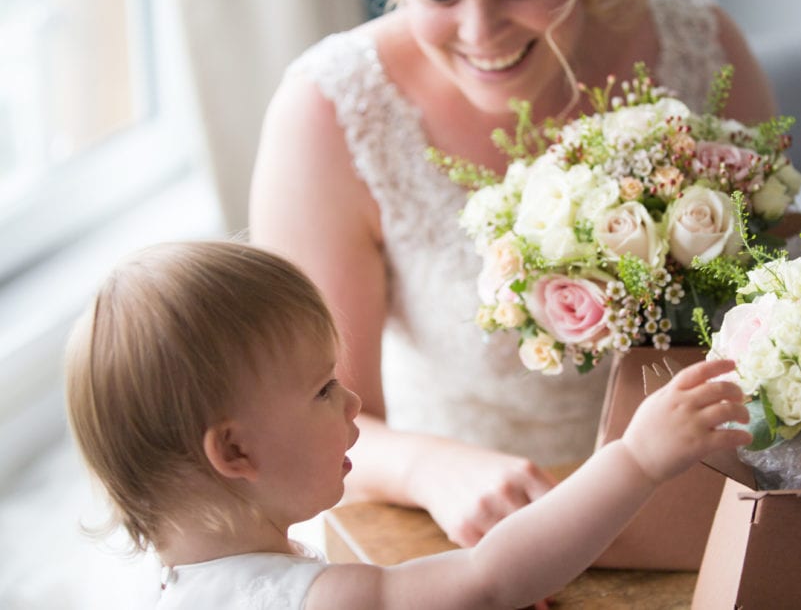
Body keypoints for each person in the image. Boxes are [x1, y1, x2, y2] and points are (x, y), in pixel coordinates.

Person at [249, 0, 775, 548]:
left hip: (707, 506)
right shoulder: (331, 112)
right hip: (467, 532)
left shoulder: (697, 43)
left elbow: (776, 306)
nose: (480, 32)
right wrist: (431, 469)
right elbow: (293, 420)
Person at [64, 240, 751, 609]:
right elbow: (489, 579)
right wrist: (635, 458)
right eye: (323, 388)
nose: (353, 402)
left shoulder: (172, 585)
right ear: (236, 448)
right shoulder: (318, 599)